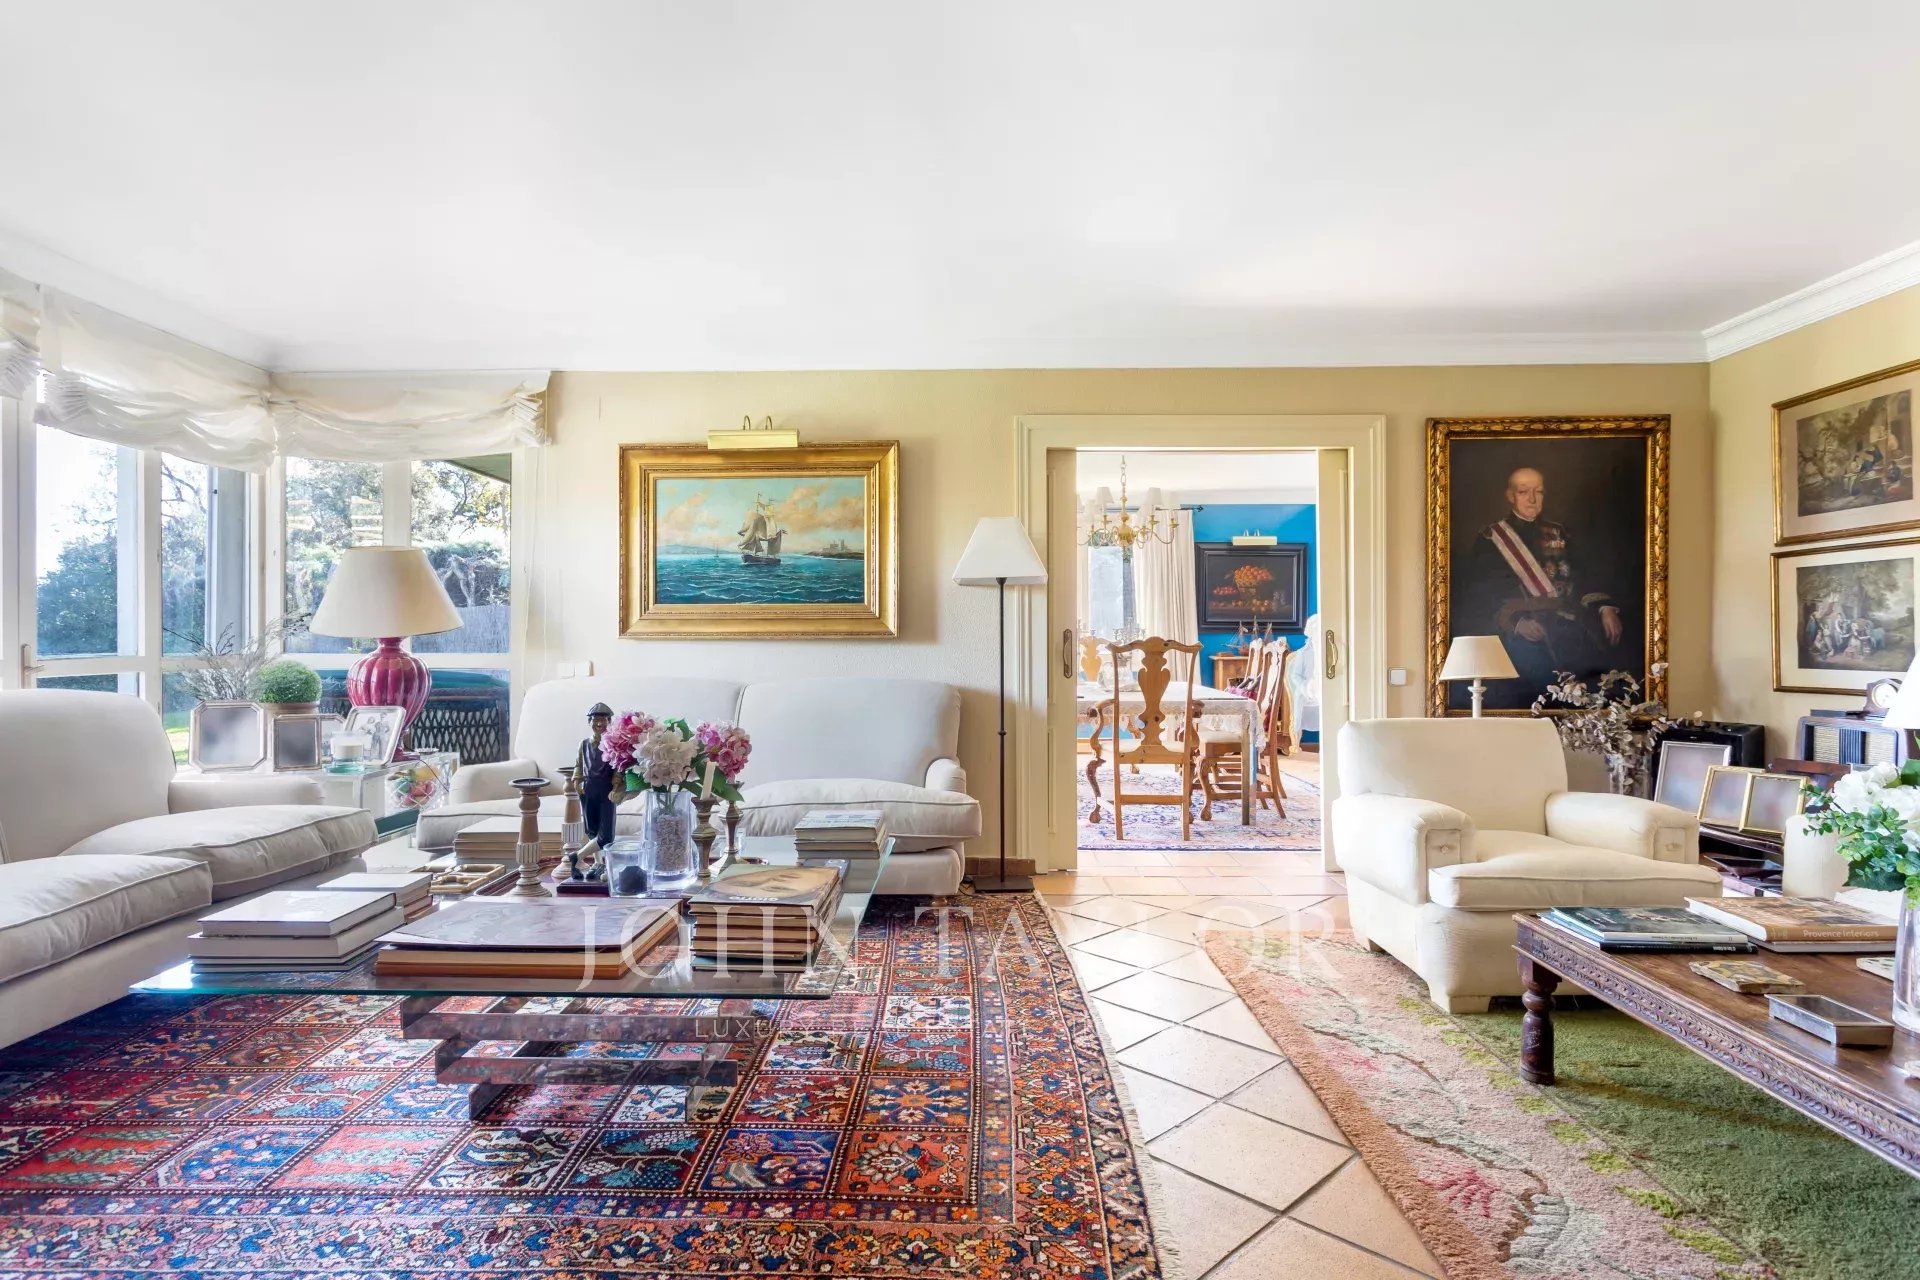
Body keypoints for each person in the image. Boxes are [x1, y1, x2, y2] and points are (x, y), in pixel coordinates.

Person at [1459, 466, 1625, 708]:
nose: (1532, 499)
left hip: (1568, 625)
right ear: (1510, 496)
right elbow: (1481, 596)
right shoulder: (1491, 539)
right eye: (1523, 492)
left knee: (1599, 688)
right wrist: (1517, 623)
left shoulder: (1559, 532)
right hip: (1522, 630)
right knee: (1546, 690)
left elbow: (1583, 574)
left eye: (1538, 491)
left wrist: (1605, 607)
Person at [576, 702, 626, 849]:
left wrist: (616, 787)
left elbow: (618, 767)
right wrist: (577, 781)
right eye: (595, 720)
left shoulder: (614, 744)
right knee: (591, 828)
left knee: (606, 832)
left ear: (609, 722)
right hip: (588, 789)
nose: (599, 723)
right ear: (589, 722)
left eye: (603, 720)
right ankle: (597, 860)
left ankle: (578, 856)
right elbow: (579, 764)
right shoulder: (584, 744)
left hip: (606, 790)